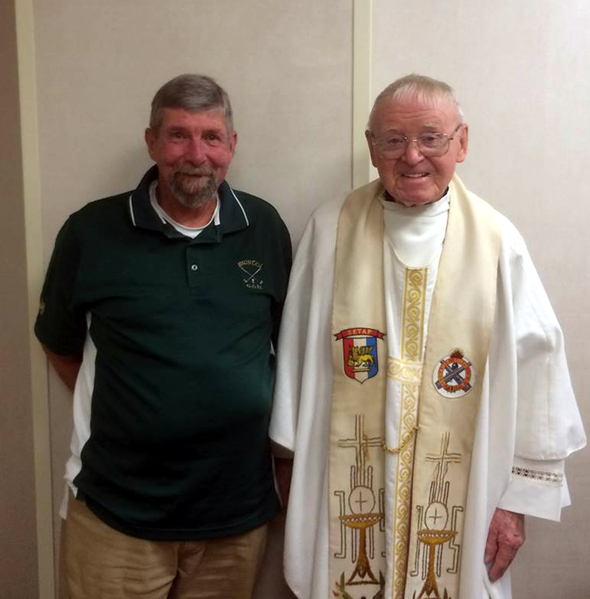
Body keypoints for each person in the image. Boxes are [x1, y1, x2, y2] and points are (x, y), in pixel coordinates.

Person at [269, 74, 585, 599]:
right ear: (372, 148)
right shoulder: (331, 231)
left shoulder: (497, 241)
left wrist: (517, 503)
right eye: (393, 139)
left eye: (431, 138)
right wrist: (288, 462)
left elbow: (540, 373)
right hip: (350, 485)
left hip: (466, 492)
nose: (412, 156)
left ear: (462, 142)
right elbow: (296, 361)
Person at [35, 74, 292, 599]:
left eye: (211, 137)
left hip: (235, 518)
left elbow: (285, 350)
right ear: (151, 142)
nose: (195, 154)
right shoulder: (91, 231)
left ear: (231, 146)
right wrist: (138, 409)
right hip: (117, 515)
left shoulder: (265, 227)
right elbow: (59, 343)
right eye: (178, 135)